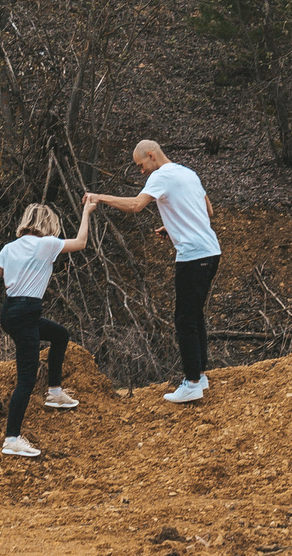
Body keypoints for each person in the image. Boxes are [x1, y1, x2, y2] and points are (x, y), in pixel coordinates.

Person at [0, 200, 93, 458]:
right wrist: (86, 212)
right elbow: (81, 242)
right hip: (26, 312)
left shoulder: (9, 248)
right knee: (26, 378)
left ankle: (55, 392)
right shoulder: (46, 244)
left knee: (60, 335)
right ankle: (12, 439)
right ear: (48, 224)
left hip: (11, 312)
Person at [84, 138, 221, 403]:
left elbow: (136, 206)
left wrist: (99, 197)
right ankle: (200, 376)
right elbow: (208, 210)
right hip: (211, 252)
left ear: (151, 155)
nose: (141, 171)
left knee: (184, 320)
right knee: (194, 315)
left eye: (140, 165)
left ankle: (192, 383)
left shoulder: (162, 175)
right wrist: (174, 225)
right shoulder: (188, 173)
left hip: (193, 256)